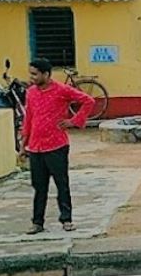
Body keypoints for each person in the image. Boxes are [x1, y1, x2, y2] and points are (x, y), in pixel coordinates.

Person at [21, 58, 93, 234]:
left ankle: (66, 219)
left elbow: (88, 101)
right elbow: (28, 118)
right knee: (39, 187)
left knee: (62, 184)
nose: (32, 78)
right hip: (36, 146)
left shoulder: (62, 90)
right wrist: (24, 144)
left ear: (46, 74)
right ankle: (37, 222)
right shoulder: (31, 93)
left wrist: (74, 121)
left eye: (35, 74)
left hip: (56, 145)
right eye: (31, 74)